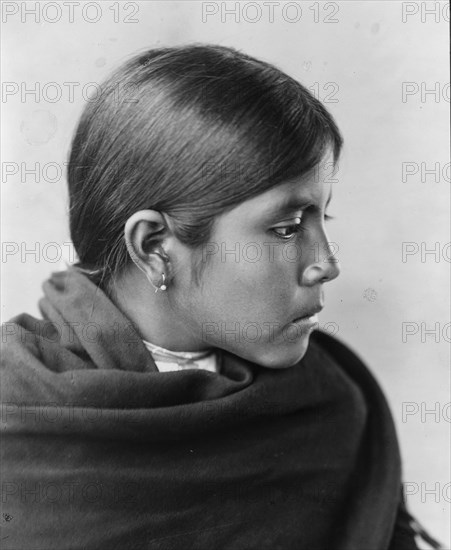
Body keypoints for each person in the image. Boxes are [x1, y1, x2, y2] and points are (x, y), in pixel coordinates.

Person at [1, 44, 443, 550]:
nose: (326, 263)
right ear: (153, 248)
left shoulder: (329, 402)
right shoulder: (16, 419)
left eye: (324, 218)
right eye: (285, 227)